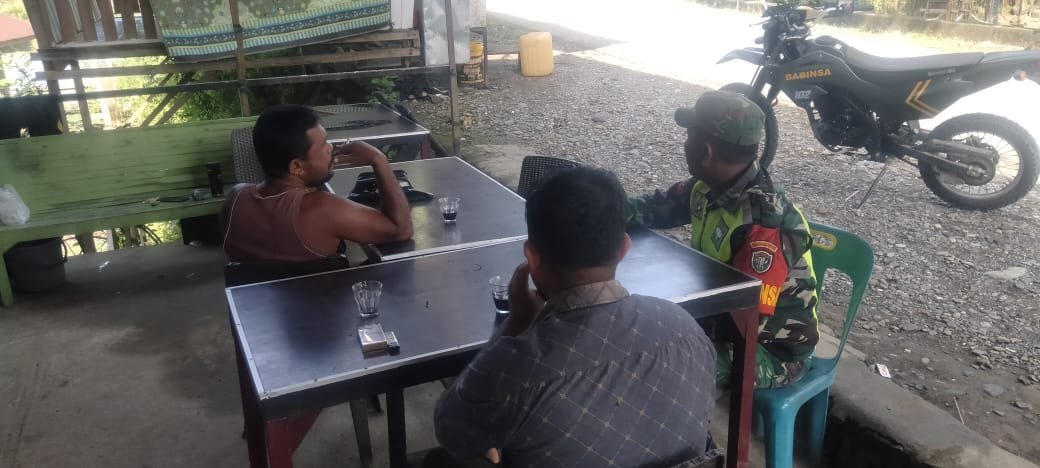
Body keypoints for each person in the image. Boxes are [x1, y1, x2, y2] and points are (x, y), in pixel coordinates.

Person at [432, 167, 717, 468]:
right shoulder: (686, 331)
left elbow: (451, 430)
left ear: (532, 257)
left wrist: (515, 325)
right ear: (624, 248)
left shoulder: (512, 370)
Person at [626, 91, 819, 389]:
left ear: (706, 151)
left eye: (688, 136)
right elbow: (655, 208)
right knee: (637, 332)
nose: (684, 144)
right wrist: (601, 207)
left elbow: (745, 319)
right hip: (721, 313)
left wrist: (665, 318)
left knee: (656, 359)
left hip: (769, 351)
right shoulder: (707, 186)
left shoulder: (762, 225)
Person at [221, 104, 413, 262]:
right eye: (323, 145)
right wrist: (379, 159)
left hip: (256, 297)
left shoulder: (235, 198)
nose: (331, 148)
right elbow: (400, 229)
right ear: (297, 166)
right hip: (319, 297)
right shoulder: (323, 208)